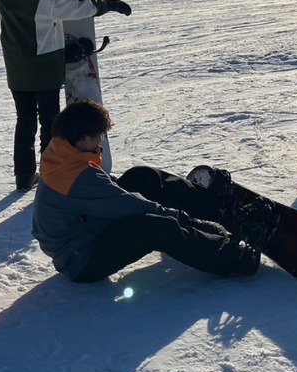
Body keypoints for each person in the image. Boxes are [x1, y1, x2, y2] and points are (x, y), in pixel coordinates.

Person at [32, 100, 262, 281]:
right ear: (83, 139)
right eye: (99, 136)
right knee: (153, 227)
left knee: (141, 177)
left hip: (88, 226)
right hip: (80, 259)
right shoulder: (77, 178)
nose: (102, 140)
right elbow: (128, 205)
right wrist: (185, 220)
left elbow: (102, 189)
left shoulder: (61, 147)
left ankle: (208, 205)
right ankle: (230, 257)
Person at [0, 0, 132, 191]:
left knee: (24, 120)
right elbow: (79, 9)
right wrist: (108, 5)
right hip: (42, 68)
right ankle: (51, 175)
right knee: (50, 120)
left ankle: (23, 177)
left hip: (16, 66)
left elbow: (35, 23)